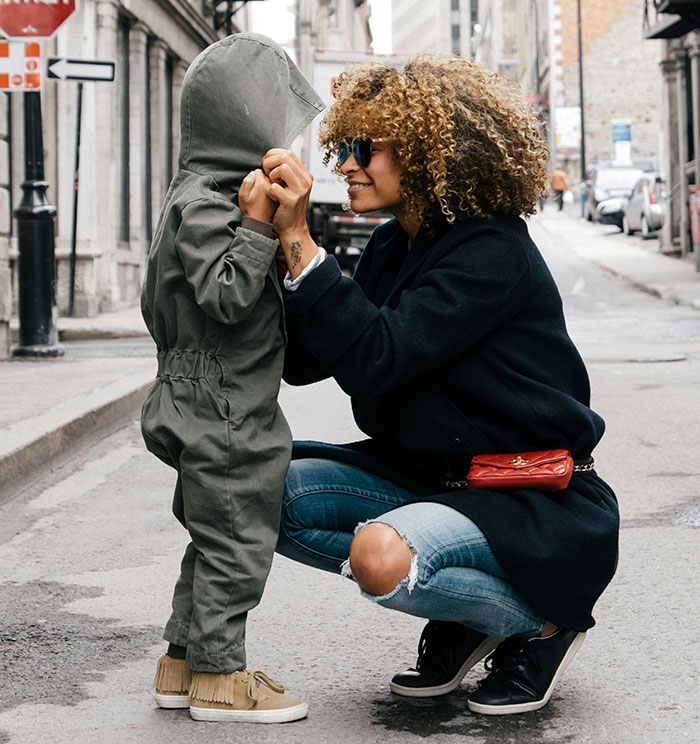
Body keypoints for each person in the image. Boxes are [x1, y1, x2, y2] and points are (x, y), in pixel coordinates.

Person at [262, 54, 619, 716]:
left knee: (380, 558)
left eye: (362, 148)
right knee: (261, 496)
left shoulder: (491, 253)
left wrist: (303, 247)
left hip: (529, 498)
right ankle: (471, 614)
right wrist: (273, 241)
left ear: (427, 149)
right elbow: (309, 359)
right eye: (340, 146)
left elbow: (376, 356)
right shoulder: (395, 246)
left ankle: (538, 622)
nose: (343, 165)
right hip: (430, 479)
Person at [140, 33, 323, 723]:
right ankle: (222, 678)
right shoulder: (216, 204)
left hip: (195, 395)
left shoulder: (189, 195)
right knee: (240, 541)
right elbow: (224, 295)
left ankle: (182, 662)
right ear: (243, 123)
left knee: (211, 537)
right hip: (226, 406)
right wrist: (256, 228)